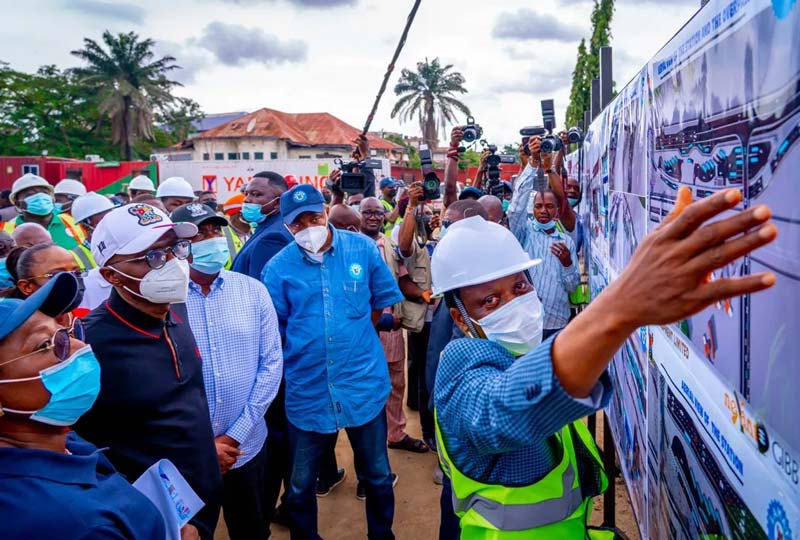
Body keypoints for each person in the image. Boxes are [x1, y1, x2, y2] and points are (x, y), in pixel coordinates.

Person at [431, 188, 776, 539]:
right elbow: (498, 412)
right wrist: (618, 308)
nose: (512, 303)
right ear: (461, 320)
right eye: (490, 301)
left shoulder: (521, 354)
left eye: (519, 286)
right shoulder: (459, 366)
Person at [74, 203, 222, 540]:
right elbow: (78, 448)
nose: (173, 264)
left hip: (203, 500)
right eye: (153, 256)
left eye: (175, 248)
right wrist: (159, 518)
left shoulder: (176, 308)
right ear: (111, 274)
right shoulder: (88, 343)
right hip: (149, 520)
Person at [263, 184, 403, 540]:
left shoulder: (362, 249)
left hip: (362, 385)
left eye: (314, 216)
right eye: (298, 223)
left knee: (377, 474)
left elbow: (379, 303)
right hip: (308, 390)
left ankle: (381, 535)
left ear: (325, 211)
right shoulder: (277, 269)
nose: (308, 226)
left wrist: (352, 338)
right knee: (299, 484)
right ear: (288, 226)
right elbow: (275, 329)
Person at [0, 272, 167, 540]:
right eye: (46, 345)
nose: (79, 346)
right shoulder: (70, 524)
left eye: (66, 332)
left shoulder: (59, 440)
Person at [173, 203, 284, 540]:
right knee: (193, 533)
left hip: (246, 446)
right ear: (178, 246)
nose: (211, 239)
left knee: (252, 529)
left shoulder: (252, 291)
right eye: (199, 234)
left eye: (214, 230)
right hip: (188, 455)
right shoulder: (165, 300)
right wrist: (206, 446)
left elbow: (271, 365)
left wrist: (235, 434)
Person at [360, 196, 429, 456]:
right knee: (367, 387)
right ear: (359, 214)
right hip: (362, 329)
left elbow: (401, 281)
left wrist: (423, 294)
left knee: (395, 384)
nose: (374, 217)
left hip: (391, 326)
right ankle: (370, 448)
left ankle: (396, 434)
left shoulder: (388, 245)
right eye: (368, 212)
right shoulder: (349, 246)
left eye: (378, 212)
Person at [509, 179, 579, 338]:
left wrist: (567, 263)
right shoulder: (524, 233)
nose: (543, 211)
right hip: (526, 321)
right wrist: (532, 166)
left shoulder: (566, 241)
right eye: (538, 206)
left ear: (557, 209)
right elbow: (515, 212)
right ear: (532, 209)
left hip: (556, 321)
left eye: (549, 206)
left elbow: (572, 287)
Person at [232, 171, 292, 279]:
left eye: (256, 194)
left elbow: (261, 287)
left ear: (277, 202)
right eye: (246, 194)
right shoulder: (267, 227)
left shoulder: (273, 237)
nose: (247, 199)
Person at [3, 174, 85, 251]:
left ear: (53, 199)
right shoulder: (6, 232)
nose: (40, 197)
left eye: (45, 193)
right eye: (30, 194)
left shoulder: (73, 222)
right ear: (18, 204)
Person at [69, 192, 115, 272]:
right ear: (85, 227)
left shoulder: (121, 246)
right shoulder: (74, 258)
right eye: (103, 222)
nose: (110, 224)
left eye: (112, 219)